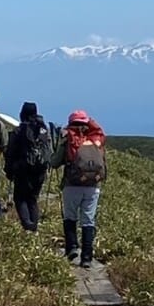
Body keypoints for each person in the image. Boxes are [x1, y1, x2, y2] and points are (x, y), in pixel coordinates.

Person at [50, 110, 107, 268]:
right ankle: (87, 257)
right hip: (93, 186)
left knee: (70, 217)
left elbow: (55, 162)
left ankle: (72, 248)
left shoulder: (68, 138)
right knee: (88, 220)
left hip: (72, 185)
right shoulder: (96, 139)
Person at [4, 101, 53, 232]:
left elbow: (11, 152)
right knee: (32, 199)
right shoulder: (43, 129)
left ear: (22, 114)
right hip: (40, 171)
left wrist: (9, 171)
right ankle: (34, 228)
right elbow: (49, 150)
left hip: (22, 170)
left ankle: (28, 225)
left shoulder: (19, 130)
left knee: (20, 199)